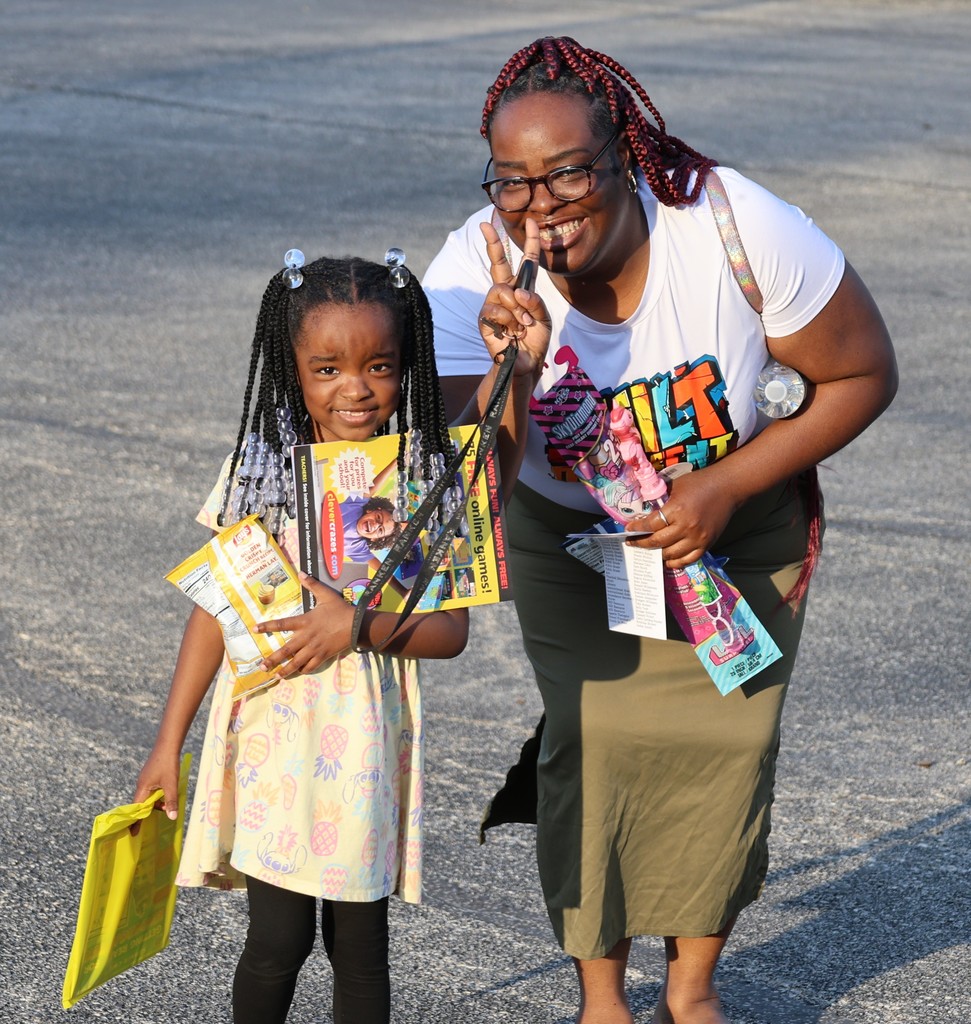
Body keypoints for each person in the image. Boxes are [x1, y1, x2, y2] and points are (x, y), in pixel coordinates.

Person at [423, 36, 897, 1024]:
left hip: (737, 530)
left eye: (566, 173)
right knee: (590, 753)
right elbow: (470, 476)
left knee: (723, 754)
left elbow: (860, 374)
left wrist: (721, 490)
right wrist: (514, 369)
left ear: (624, 155)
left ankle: (691, 989)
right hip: (567, 540)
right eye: (512, 182)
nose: (539, 207)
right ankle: (602, 999)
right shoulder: (471, 277)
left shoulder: (729, 226)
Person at [133, 252, 476, 1024]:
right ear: (291, 369)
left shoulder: (420, 476)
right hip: (272, 742)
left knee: (360, 949)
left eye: (378, 365)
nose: (353, 388)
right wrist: (168, 745)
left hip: (361, 743)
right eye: (325, 368)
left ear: (406, 366)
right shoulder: (259, 472)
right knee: (276, 942)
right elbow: (214, 612)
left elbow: (450, 634)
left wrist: (355, 625)